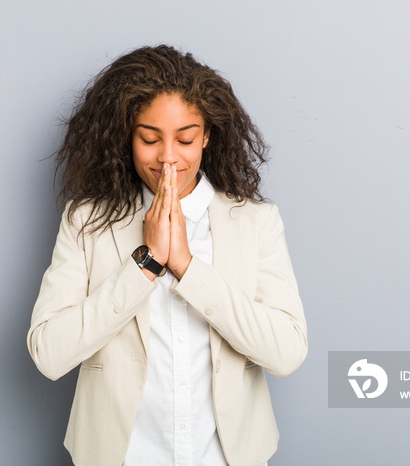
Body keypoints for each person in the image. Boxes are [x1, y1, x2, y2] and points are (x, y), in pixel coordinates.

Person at [27, 45, 307, 466]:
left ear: (207, 136)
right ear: (128, 135)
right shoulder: (86, 222)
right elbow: (49, 353)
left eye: (186, 138)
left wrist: (188, 268)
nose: (168, 157)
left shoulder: (255, 222)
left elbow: (287, 352)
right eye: (150, 138)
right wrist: (146, 263)